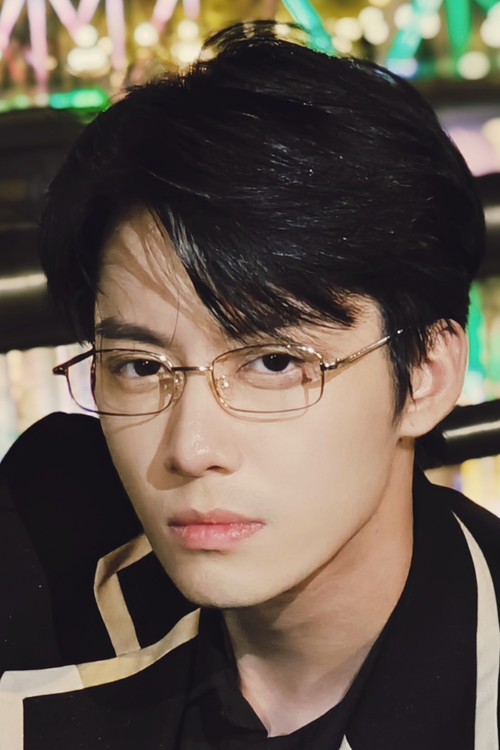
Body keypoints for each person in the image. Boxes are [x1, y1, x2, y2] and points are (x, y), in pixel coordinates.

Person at [0, 20, 496, 750]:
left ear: (425, 374)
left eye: (273, 363)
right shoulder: (48, 545)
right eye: (140, 367)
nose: (191, 448)